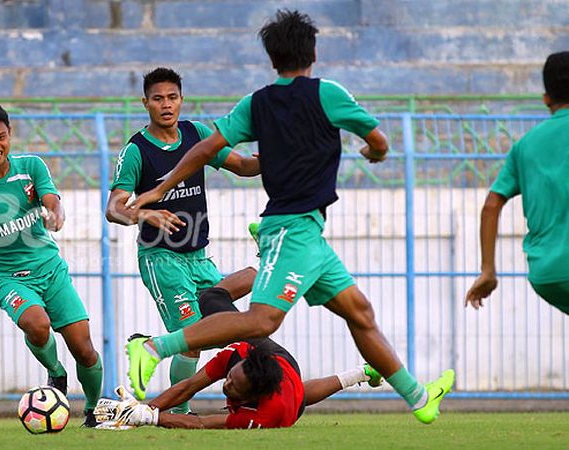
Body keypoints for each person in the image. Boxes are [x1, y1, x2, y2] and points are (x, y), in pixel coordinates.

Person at [123, 10, 454, 424]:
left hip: (311, 233)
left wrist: (161, 186)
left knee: (360, 313)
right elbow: (379, 141)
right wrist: (376, 154)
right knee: (261, 321)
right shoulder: (327, 93)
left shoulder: (256, 103)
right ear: (313, 52)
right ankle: (154, 347)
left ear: (271, 57)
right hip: (292, 228)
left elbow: (209, 149)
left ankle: (420, 397)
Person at [106, 67, 260, 413]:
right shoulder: (136, 150)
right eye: (158, 98)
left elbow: (242, 166)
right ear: (145, 103)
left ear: (181, 100)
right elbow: (113, 208)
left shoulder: (196, 134)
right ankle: (178, 413)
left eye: (172, 98)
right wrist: (144, 214)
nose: (166, 105)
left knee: (236, 307)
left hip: (199, 257)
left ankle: (155, 355)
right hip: (161, 258)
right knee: (193, 337)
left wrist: (269, 161)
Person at [0, 102, 102, 426]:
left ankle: (93, 411)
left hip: (50, 268)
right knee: (37, 323)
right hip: (7, 277)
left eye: (0, 137)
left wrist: (55, 216)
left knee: (84, 349)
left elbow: (51, 200)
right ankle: (56, 374)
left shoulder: (31, 166)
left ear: (10, 134)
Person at [95, 292, 383, 429]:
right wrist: (140, 410)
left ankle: (360, 372)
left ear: (254, 395)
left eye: (234, 387)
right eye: (230, 378)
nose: (227, 384)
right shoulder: (236, 357)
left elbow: (205, 424)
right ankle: (258, 268)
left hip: (286, 397)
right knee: (210, 299)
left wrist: (153, 418)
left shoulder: (270, 415)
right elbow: (189, 387)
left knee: (299, 400)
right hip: (275, 358)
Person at [465, 51, 569, 314]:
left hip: (548, 274)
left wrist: (487, 270)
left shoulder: (525, 146)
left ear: (546, 99)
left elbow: (492, 204)